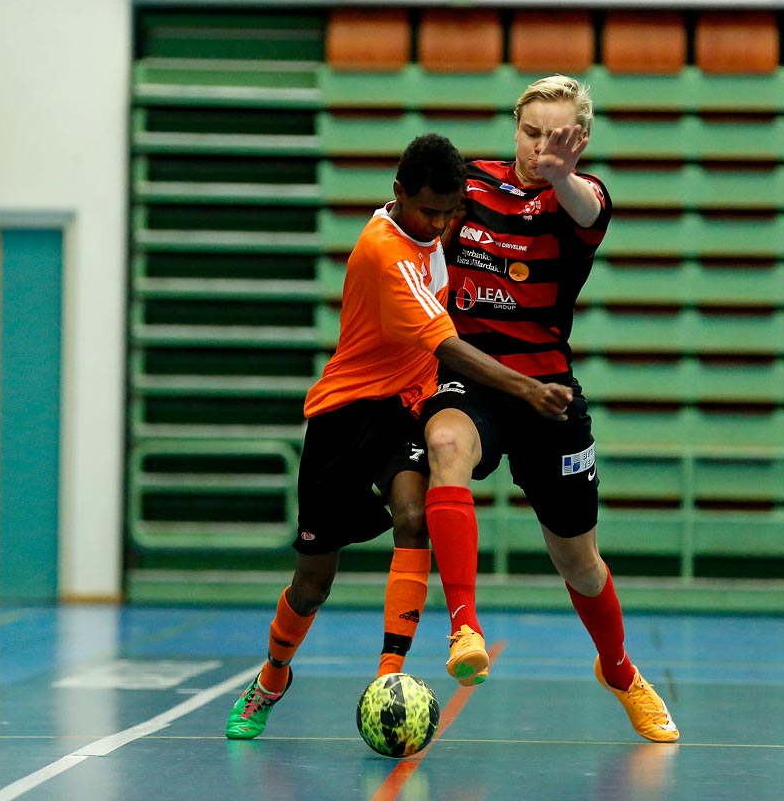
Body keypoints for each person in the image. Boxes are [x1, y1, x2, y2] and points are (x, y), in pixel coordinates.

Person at [225, 133, 573, 741]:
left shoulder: (437, 229)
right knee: (312, 585)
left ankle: (391, 674)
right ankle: (273, 675)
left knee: (416, 518)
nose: (440, 224)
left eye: (450, 210)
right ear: (398, 196)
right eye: (428, 211)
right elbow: (445, 346)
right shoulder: (386, 252)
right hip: (343, 414)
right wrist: (526, 389)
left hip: (402, 410)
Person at [420, 75, 681, 744]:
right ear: (516, 128)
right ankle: (463, 628)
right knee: (447, 447)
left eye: (557, 137)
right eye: (531, 133)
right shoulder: (471, 185)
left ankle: (620, 670)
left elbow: (587, 206)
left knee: (578, 560)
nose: (541, 146)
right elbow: (413, 233)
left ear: (579, 140)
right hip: (471, 374)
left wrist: (562, 175)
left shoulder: (580, 198)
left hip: (548, 391)